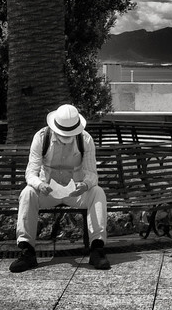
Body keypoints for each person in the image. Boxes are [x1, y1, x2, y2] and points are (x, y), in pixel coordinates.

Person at [10, 104, 110, 272]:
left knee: (97, 192)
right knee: (27, 192)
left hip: (75, 193)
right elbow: (30, 173)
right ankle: (27, 251)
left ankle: (97, 249)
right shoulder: (41, 138)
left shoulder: (85, 140)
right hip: (47, 192)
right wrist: (39, 185)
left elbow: (92, 173)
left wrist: (84, 185)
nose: (67, 137)